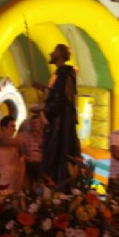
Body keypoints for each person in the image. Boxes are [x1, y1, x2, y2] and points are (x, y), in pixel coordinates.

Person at [41, 44, 81, 185]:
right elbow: (56, 94)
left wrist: (47, 110)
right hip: (57, 120)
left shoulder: (65, 73)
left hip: (60, 123)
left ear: (60, 55)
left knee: (57, 153)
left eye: (55, 51)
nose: (51, 54)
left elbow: (62, 98)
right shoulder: (59, 74)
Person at [19, 115, 44, 189]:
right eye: (33, 123)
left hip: (41, 165)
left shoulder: (45, 135)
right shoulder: (25, 135)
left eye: (36, 123)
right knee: (28, 185)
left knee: (41, 185)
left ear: (40, 124)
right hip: (29, 164)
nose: (35, 125)